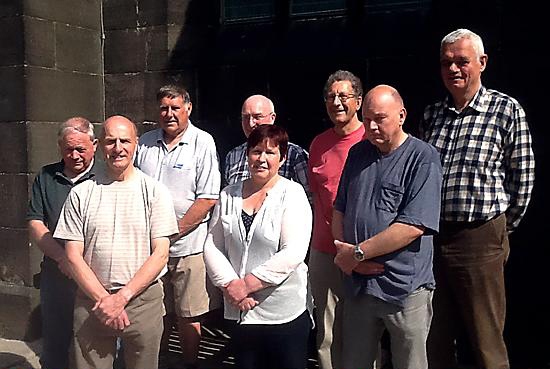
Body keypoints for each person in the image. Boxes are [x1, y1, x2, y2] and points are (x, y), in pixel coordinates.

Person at [420, 28, 535, 369]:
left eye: (461, 61)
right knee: (435, 336)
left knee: (485, 339)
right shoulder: (433, 115)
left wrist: (500, 228)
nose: (453, 69)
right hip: (435, 238)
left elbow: (523, 177)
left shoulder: (505, 110)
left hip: (481, 238)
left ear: (482, 63)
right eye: (445, 63)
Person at [53, 115, 178, 369]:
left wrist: (120, 299)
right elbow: (73, 255)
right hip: (92, 304)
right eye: (111, 141)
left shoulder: (155, 192)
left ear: (136, 145)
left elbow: (161, 254)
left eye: (125, 141)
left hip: (143, 303)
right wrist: (105, 300)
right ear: (99, 145)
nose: (118, 148)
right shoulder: (81, 193)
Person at [333, 85, 442, 369]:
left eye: (380, 118)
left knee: (410, 363)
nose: (370, 125)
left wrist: (358, 253)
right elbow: (340, 209)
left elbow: (412, 226)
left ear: (402, 115)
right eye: (367, 118)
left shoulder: (422, 157)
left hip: (404, 287)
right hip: (360, 286)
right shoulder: (358, 153)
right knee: (354, 362)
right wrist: (349, 258)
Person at [204, 124, 313, 369]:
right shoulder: (228, 195)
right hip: (241, 310)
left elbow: (293, 252)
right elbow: (212, 244)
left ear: (282, 157)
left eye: (270, 153)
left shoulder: (292, 194)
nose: (261, 159)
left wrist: (246, 285)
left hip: (283, 312)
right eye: (256, 152)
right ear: (247, 155)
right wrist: (230, 285)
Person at [135, 84, 221, 369]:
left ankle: (189, 365)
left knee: (188, 314)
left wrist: (171, 233)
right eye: (163, 108)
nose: (169, 114)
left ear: (188, 108)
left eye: (175, 108)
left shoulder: (203, 142)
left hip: (188, 247)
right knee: (155, 311)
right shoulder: (144, 143)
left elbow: (208, 197)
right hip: (148, 249)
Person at [308, 70, 382, 369]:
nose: (337, 102)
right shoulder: (318, 144)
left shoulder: (373, 137)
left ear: (359, 101)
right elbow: (316, 198)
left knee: (367, 328)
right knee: (327, 332)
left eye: (344, 96)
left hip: (367, 248)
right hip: (325, 251)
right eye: (330, 97)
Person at [26, 117, 98, 369]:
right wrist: (63, 258)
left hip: (97, 274)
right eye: (69, 149)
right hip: (57, 274)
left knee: (97, 344)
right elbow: (36, 224)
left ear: (95, 145)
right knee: (56, 340)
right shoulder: (46, 177)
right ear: (60, 147)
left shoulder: (106, 177)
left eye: (81, 149)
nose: (75, 155)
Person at [224, 94, 311, 202]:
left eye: (257, 117)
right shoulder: (233, 156)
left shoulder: (294, 154)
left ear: (272, 118)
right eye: (246, 118)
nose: (251, 124)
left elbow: (311, 198)